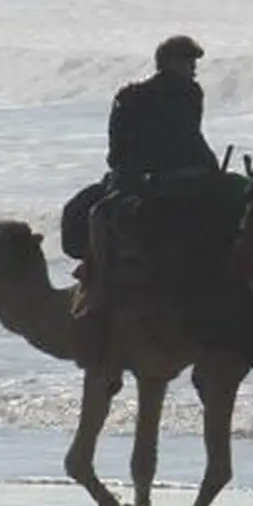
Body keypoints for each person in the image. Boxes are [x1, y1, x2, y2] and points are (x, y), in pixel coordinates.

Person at [78, 35, 219, 317]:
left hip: (147, 179)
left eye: (193, 62)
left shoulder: (129, 97)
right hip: (194, 174)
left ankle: (99, 286)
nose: (193, 68)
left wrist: (126, 169)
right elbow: (188, 138)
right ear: (169, 62)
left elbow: (118, 150)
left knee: (97, 214)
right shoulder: (192, 92)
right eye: (188, 61)